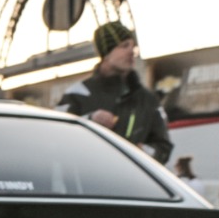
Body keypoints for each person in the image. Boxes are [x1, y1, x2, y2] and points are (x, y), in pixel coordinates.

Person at [58, 21, 173, 163]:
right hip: (89, 176)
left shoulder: (148, 100)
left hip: (130, 177)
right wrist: (90, 120)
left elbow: (163, 147)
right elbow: (56, 136)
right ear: (106, 53)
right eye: (124, 46)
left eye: (133, 47)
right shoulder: (78, 94)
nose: (131, 52)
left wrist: (144, 152)